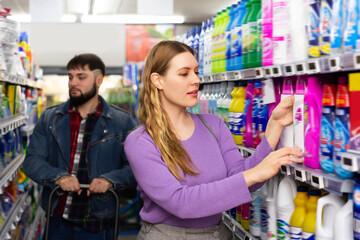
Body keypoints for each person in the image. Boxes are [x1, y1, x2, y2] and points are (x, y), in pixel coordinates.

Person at [124, 40, 303, 240]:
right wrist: (254, 174)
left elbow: (242, 178)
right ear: (157, 80)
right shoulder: (141, 141)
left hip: (217, 232)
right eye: (184, 74)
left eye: (196, 72)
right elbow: (181, 203)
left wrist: (274, 127)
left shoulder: (213, 124)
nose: (195, 80)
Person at [24, 53, 137, 240]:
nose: (73, 83)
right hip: (58, 220)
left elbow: (137, 168)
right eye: (70, 77)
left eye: (81, 77)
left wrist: (110, 180)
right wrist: (58, 177)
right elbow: (32, 161)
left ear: (99, 80)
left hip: (99, 223)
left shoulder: (122, 122)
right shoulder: (51, 118)